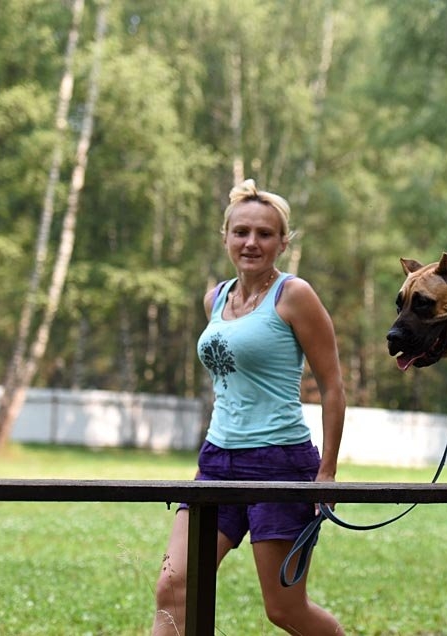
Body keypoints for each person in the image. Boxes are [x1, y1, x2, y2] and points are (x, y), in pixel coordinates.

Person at [152, 179, 346, 635]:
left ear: (283, 242)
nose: (251, 242)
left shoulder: (294, 295)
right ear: (225, 237)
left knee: (285, 610)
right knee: (173, 587)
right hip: (217, 462)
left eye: (264, 233)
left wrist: (327, 473)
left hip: (281, 464)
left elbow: (333, 386)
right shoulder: (215, 298)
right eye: (241, 232)